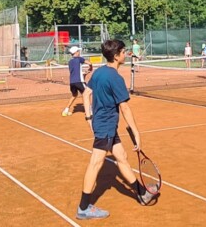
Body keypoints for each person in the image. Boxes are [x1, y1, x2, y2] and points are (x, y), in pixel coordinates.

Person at [76, 39, 158, 220]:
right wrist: (136, 133)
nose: (125, 53)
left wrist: (88, 117)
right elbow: (125, 108)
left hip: (104, 123)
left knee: (121, 157)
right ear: (116, 56)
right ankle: (83, 208)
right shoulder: (115, 78)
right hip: (106, 125)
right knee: (96, 163)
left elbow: (86, 93)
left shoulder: (99, 73)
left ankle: (142, 193)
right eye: (123, 51)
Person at [62, 46, 93, 117]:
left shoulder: (70, 62)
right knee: (88, 93)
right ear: (75, 52)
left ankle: (66, 110)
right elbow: (89, 63)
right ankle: (90, 111)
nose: (79, 52)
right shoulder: (79, 59)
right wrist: (91, 68)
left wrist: (84, 73)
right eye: (78, 51)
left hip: (72, 82)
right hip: (79, 81)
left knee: (74, 95)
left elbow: (75, 72)